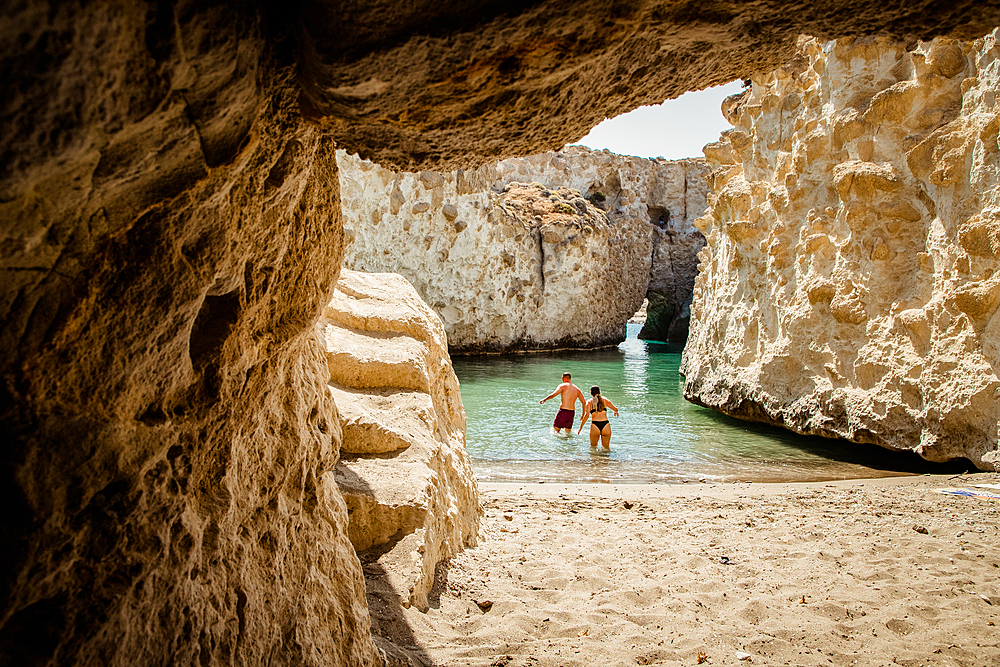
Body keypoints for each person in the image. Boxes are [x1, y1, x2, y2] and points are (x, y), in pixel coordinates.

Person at [578, 385, 619, 449]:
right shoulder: (605, 400)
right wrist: (616, 411)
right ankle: (607, 459)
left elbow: (586, 415)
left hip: (595, 425)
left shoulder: (589, 402)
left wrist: (581, 427)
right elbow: (615, 408)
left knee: (593, 448)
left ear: (591, 393)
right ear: (599, 392)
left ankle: (595, 459)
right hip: (606, 425)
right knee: (606, 448)